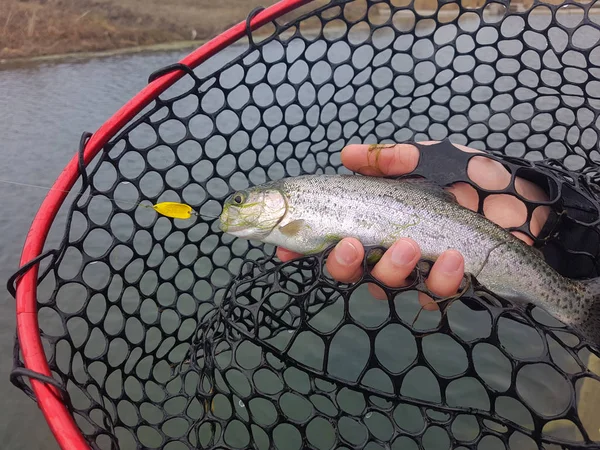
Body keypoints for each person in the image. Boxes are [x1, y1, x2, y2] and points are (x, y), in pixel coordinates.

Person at [276, 141, 550, 310]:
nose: (234, 205)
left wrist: (534, 203)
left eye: (240, 201)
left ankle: (565, 300)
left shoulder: (294, 200)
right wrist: (540, 207)